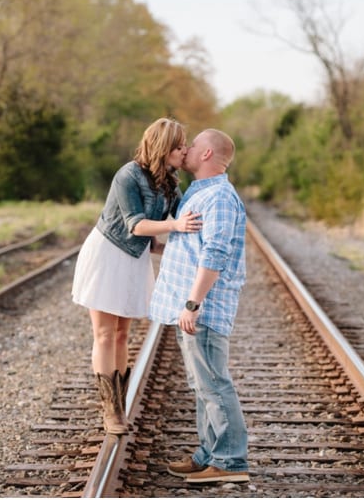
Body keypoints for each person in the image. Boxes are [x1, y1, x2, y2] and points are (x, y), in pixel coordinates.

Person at [72, 118, 202, 435]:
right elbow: (135, 224)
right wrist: (173, 227)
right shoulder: (128, 175)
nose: (184, 150)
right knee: (104, 334)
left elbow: (185, 213)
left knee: (121, 335)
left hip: (135, 259)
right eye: (180, 145)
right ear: (163, 148)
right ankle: (111, 411)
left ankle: (120, 403)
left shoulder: (171, 183)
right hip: (108, 254)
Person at [148, 128, 249, 484]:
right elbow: (195, 246)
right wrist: (162, 247)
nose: (186, 150)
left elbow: (215, 252)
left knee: (214, 384)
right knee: (201, 384)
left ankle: (230, 461)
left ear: (207, 154)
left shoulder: (219, 196)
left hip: (203, 309)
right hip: (192, 308)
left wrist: (193, 303)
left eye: (193, 146)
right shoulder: (202, 193)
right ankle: (209, 453)